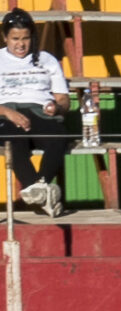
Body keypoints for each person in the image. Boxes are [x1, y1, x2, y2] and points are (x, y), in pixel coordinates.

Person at [0, 9, 69, 217]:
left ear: (32, 37)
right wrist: (7, 112)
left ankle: (38, 191)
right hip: (5, 112)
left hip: (39, 111)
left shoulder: (46, 60)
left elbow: (63, 100)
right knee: (14, 139)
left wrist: (56, 108)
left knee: (59, 136)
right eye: (15, 39)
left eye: (25, 38)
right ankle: (43, 194)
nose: (20, 44)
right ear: (5, 38)